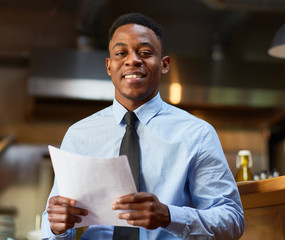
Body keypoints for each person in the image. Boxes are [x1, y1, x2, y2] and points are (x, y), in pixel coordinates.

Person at [41, 12, 244, 240]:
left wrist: (168, 216)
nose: (133, 60)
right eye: (121, 53)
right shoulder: (78, 136)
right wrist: (56, 227)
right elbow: (53, 225)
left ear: (164, 64)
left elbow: (232, 220)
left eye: (145, 53)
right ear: (109, 66)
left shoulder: (197, 134)